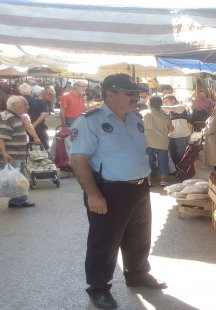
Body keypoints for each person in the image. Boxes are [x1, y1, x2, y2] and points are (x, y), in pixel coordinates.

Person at [69, 74, 166, 310]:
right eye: (129, 93)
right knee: (105, 242)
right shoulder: (89, 121)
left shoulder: (135, 118)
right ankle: (99, 288)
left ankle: (137, 274)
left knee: (139, 236)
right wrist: (93, 194)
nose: (136, 97)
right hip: (109, 190)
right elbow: (78, 160)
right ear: (110, 94)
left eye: (136, 93)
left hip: (139, 187)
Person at [0, 95, 38, 208]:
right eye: (24, 104)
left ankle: (18, 200)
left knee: (22, 179)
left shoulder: (15, 116)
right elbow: (0, 138)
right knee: (9, 182)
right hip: (11, 155)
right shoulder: (7, 117)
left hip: (17, 154)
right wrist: (4, 154)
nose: (27, 107)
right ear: (14, 105)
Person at [143, 96, 173, 187]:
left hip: (148, 142)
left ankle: (148, 181)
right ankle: (163, 181)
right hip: (162, 142)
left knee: (148, 161)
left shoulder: (145, 114)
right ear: (161, 104)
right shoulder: (165, 115)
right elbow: (171, 129)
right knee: (163, 161)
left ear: (150, 104)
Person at [162, 95, 192, 168]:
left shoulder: (180, 107)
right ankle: (178, 171)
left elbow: (169, 108)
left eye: (166, 102)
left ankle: (184, 172)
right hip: (172, 136)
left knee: (182, 156)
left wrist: (156, 106)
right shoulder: (169, 112)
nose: (165, 104)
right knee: (173, 156)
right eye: (164, 102)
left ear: (173, 100)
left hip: (182, 136)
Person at [19, 83, 50, 150]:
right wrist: (34, 125)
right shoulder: (40, 101)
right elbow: (44, 114)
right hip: (39, 128)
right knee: (43, 148)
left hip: (21, 128)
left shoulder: (16, 103)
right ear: (31, 92)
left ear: (20, 92)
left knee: (24, 149)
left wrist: (30, 126)